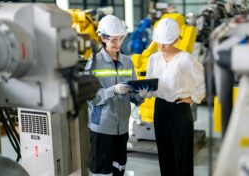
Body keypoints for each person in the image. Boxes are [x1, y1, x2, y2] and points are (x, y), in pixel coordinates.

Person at [86, 15, 149, 176]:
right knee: (101, 173)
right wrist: (113, 90)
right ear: (103, 38)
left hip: (122, 129)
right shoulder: (94, 62)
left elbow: (133, 97)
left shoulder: (128, 62)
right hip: (102, 129)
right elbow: (90, 97)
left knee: (118, 170)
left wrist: (141, 95)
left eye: (120, 39)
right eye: (114, 40)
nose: (118, 44)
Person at [146, 18, 206, 176]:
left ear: (174, 40)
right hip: (160, 108)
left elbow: (205, 81)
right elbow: (150, 83)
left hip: (179, 109)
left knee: (183, 154)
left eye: (165, 42)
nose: (161, 46)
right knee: (164, 152)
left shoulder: (186, 59)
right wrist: (145, 91)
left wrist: (193, 98)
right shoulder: (154, 59)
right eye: (158, 42)